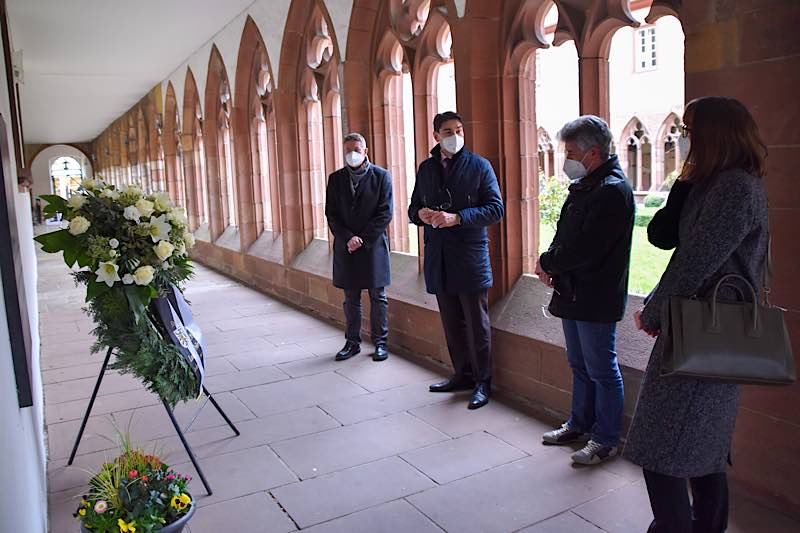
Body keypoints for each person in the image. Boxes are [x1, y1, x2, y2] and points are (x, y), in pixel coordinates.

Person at [624, 96, 770, 533]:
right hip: (700, 325)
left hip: (708, 328)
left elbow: (698, 261)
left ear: (714, 134)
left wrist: (653, 311)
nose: (685, 139)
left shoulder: (735, 187)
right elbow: (669, 242)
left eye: (690, 131)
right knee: (702, 451)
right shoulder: (714, 183)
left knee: (662, 452)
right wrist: (684, 186)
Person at [535, 115, 635, 465]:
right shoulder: (588, 185)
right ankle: (579, 423)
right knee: (579, 364)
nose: (567, 159)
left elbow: (587, 248)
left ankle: (605, 439)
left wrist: (549, 263)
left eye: (572, 152)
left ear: (593, 153)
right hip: (573, 291)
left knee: (602, 369)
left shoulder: (610, 191)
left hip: (595, 295)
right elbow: (567, 235)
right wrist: (553, 265)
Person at [409, 111, 504, 410]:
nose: (455, 136)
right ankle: (461, 375)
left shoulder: (479, 166)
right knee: (451, 322)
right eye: (448, 131)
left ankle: (482, 383)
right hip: (439, 257)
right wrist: (421, 215)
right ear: (436, 136)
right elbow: (413, 208)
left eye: (460, 130)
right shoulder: (426, 169)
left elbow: (495, 209)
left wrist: (458, 217)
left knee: (477, 324)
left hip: (469, 256)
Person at [325, 132, 393, 362]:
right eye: (347, 150)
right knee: (350, 297)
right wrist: (347, 238)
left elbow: (385, 212)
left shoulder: (382, 176)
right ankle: (352, 342)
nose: (352, 154)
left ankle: (380, 343)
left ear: (365, 151)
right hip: (347, 247)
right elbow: (331, 214)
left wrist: (362, 238)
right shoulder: (335, 179)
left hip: (372, 246)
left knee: (378, 296)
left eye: (356, 149)